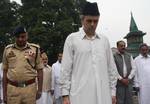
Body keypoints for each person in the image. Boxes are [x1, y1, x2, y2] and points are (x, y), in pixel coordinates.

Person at [60, 1, 118, 104]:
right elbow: (65, 69)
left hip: (103, 95)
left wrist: (113, 92)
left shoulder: (104, 41)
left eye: (95, 21)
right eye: (89, 20)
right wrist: (65, 95)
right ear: (82, 20)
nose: (92, 24)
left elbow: (111, 69)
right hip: (79, 96)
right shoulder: (72, 39)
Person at [2, 26, 43, 104]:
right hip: (12, 89)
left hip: (29, 89)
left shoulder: (35, 49)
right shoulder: (7, 50)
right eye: (18, 37)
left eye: (23, 36)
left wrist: (40, 90)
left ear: (27, 36)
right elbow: (4, 72)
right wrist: (4, 93)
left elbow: (40, 70)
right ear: (14, 37)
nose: (20, 39)